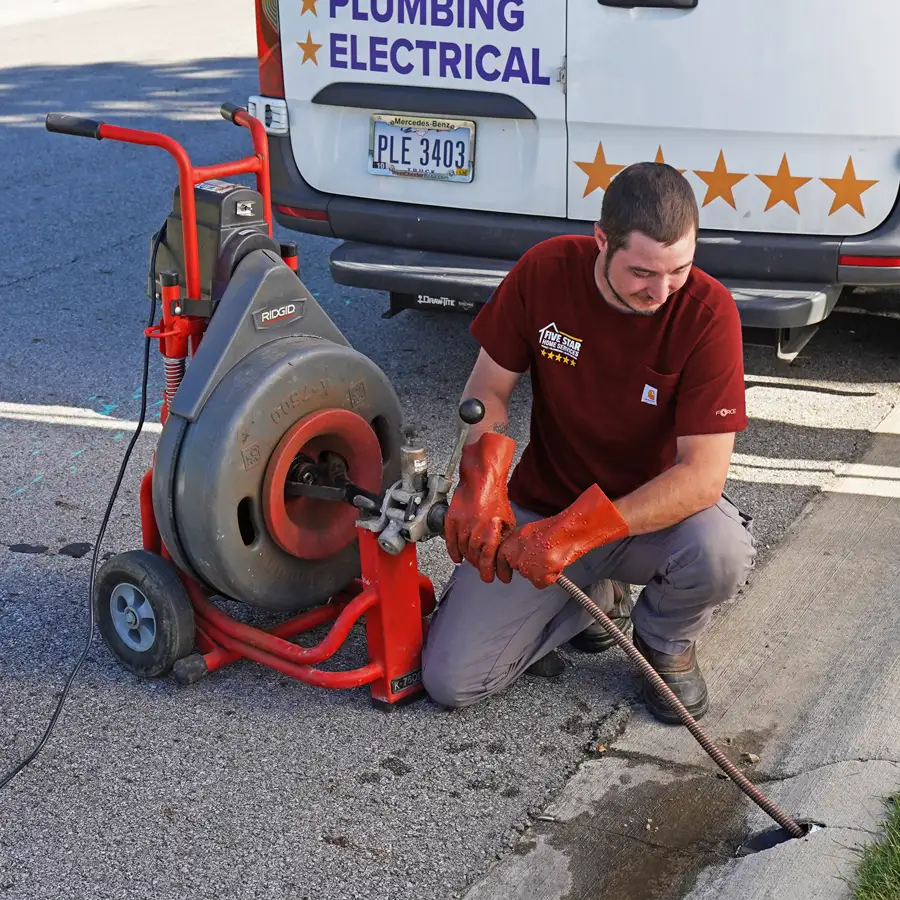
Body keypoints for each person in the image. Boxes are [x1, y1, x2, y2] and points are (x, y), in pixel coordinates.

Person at [421, 162, 757, 723]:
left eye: (680, 269)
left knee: (722, 552)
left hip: (650, 518)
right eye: (644, 272)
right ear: (602, 240)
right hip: (545, 507)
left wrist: (578, 534)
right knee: (451, 680)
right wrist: (482, 483)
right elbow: (488, 389)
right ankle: (591, 604)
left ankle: (663, 640)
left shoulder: (707, 312)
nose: (662, 290)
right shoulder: (545, 270)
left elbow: (702, 476)